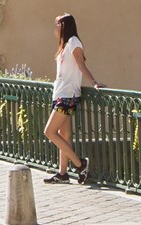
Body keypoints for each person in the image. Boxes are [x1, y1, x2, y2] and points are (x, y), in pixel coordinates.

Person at [43, 13, 104, 184]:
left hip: (67, 95)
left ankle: (80, 164)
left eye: (56, 24)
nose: (54, 28)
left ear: (63, 26)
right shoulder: (64, 45)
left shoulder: (74, 43)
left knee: (49, 132)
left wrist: (94, 82)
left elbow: (81, 64)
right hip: (60, 93)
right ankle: (63, 174)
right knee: (64, 133)